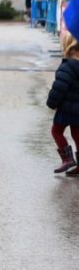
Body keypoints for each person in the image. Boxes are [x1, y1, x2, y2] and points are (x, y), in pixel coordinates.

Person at [46, 32, 79, 175]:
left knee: (57, 131)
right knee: (78, 135)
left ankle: (67, 159)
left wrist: (52, 103)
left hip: (66, 109)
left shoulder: (68, 66)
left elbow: (59, 87)